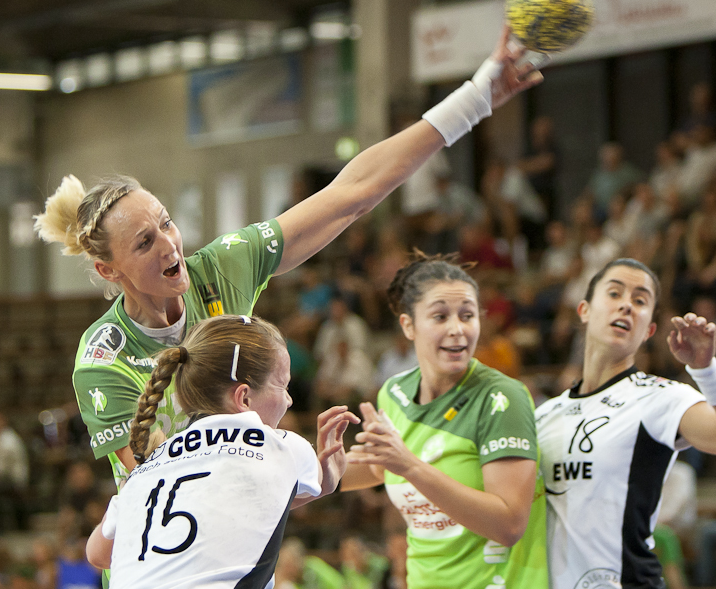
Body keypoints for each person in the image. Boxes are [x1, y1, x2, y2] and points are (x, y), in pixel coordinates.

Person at [35, 27, 542, 487]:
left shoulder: (219, 269)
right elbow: (158, 484)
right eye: (144, 243)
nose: (169, 244)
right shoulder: (105, 358)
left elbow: (352, 194)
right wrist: (288, 467)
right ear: (108, 270)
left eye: (167, 222)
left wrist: (475, 98)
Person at [85, 314, 358, 588]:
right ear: (244, 398)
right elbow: (311, 489)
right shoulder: (283, 446)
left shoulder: (146, 465)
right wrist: (329, 477)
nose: (289, 400)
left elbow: (97, 554)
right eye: (283, 385)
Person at [340, 253, 547, 589]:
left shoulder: (501, 397)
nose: (457, 329)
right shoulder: (394, 392)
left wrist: (409, 466)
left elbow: (509, 525)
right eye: (440, 316)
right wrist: (308, 471)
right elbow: (381, 467)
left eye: (468, 315)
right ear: (408, 325)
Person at [535, 258, 716, 589]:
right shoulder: (544, 415)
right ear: (584, 310)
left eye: (640, 300)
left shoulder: (660, 397)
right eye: (615, 293)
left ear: (649, 331)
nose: (626, 306)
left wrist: (706, 372)